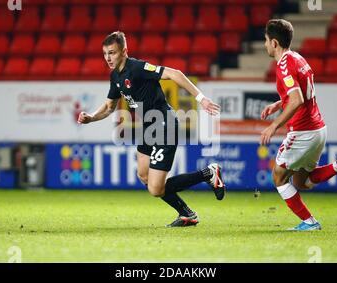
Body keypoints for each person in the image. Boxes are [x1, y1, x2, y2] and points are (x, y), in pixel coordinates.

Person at [78, 31, 226, 227]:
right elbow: (109, 106)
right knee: (143, 175)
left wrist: (201, 99)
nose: (108, 58)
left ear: (124, 51)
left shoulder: (137, 68)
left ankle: (208, 173)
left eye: (112, 53)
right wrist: (91, 118)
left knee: (156, 189)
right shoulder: (115, 76)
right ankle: (187, 215)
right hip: (149, 126)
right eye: (105, 53)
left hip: (164, 123)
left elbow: (175, 74)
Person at [260, 19, 337, 231]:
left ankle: (310, 222)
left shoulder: (283, 66)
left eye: (265, 40)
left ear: (274, 43)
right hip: (318, 129)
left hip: (303, 131)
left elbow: (297, 99)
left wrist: (275, 125)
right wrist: (279, 103)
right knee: (301, 182)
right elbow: (300, 93)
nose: (264, 45)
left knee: (278, 176)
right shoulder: (298, 58)